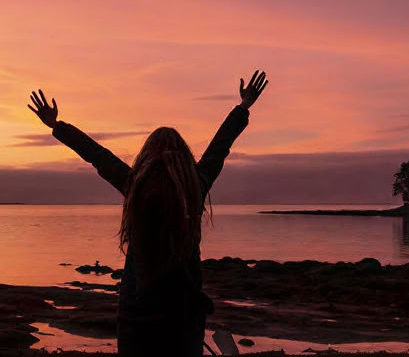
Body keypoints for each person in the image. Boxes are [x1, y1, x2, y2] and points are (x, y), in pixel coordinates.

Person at [27, 70, 270, 356]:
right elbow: (220, 147)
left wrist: (56, 125)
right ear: (183, 155)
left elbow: (96, 154)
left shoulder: (135, 185)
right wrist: (243, 107)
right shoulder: (194, 186)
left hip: (136, 314)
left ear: (146, 155)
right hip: (184, 316)